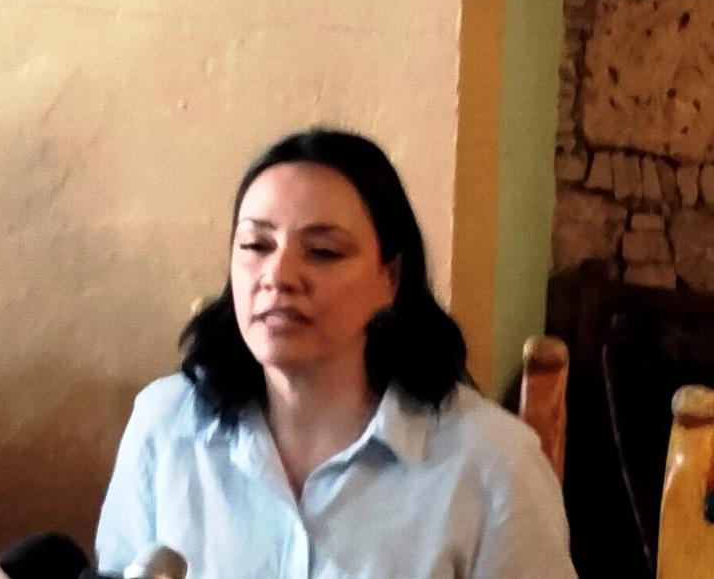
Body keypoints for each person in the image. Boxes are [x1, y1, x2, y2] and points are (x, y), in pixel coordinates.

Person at [95, 129, 577, 578]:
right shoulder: (166, 426)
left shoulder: (491, 461)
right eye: (256, 245)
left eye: (323, 252)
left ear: (390, 278)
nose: (278, 276)